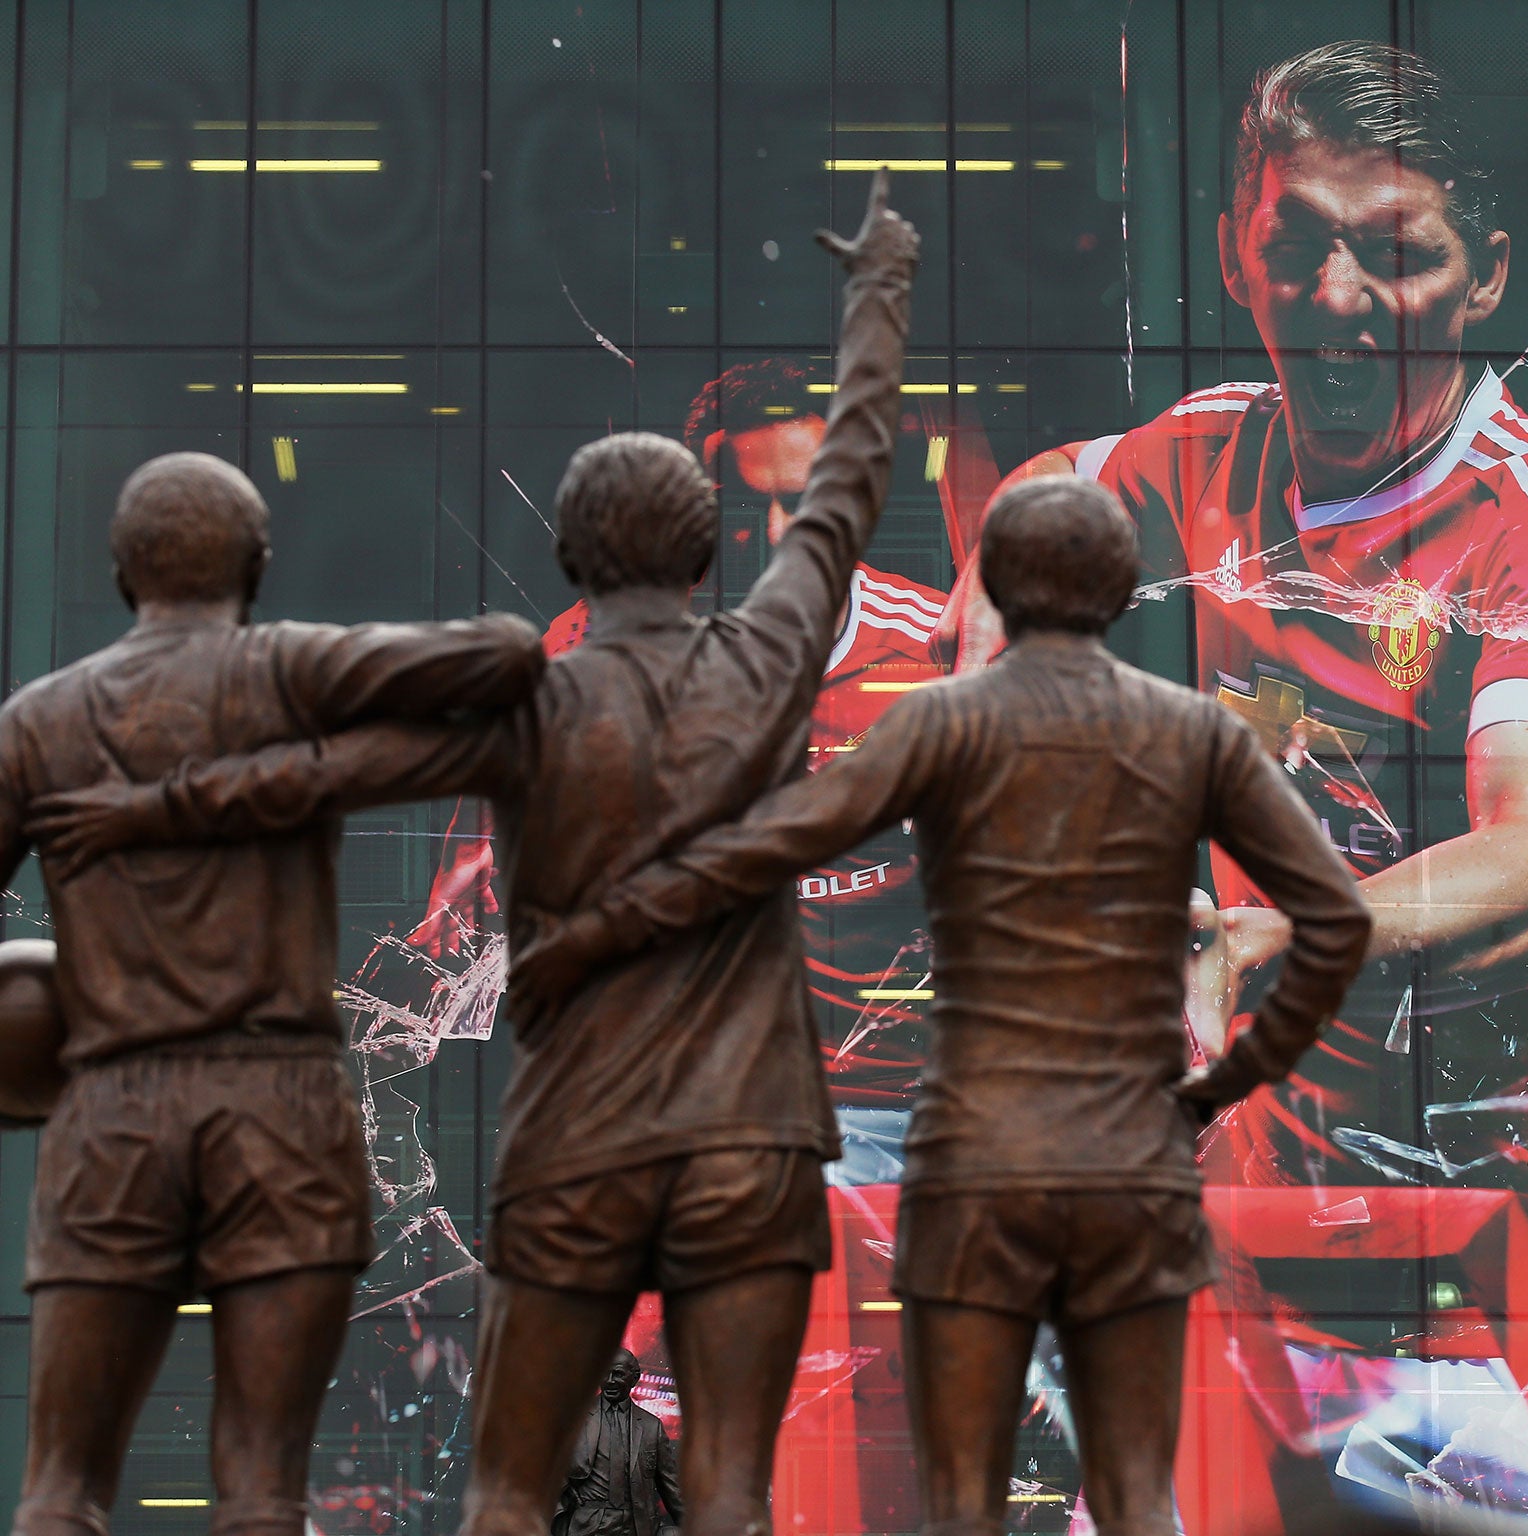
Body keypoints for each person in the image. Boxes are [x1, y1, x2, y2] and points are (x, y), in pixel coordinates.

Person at [937, 39, 1528, 1532]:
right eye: (1293, 245)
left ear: (1486, 275)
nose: (1335, 303)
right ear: (1234, 256)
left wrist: (1269, 939)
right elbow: (1030, 501)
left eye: (1394, 256)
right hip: (1272, 1289)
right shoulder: (1197, 462)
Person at [27, 170, 918, 1536]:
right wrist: (880, 294)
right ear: (710, 557)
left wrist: (143, 811)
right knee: (734, 1498)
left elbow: (333, 770)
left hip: (578, 1149)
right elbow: (848, 486)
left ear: (569, 555)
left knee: (511, 1494)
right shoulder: (772, 664)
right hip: (750, 1148)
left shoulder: (533, 702)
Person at [508, 476, 1374, 1536]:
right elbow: (1323, 922)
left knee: (956, 1477)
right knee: (1139, 1471)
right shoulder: (1190, 728)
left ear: (993, 587)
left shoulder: (935, 720)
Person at [0, 451, 546, 1536]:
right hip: (283, 1122)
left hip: (119, 1108)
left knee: (61, 1485)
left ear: (121, 571)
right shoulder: (298, 676)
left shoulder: (40, 722)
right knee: (262, 1489)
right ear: (255, 565)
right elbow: (508, 653)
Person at [416, 357, 948, 1181]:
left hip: (883, 1117)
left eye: (805, 506)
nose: (774, 538)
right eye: (739, 506)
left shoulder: (931, 661)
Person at [553, 1350, 683, 1536]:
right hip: (586, 1524)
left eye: (618, 1374)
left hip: (635, 1524)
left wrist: (693, 1526)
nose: (610, 1380)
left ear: (634, 1378)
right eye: (605, 1373)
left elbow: (671, 1487)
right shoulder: (575, 1419)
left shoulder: (651, 1426)